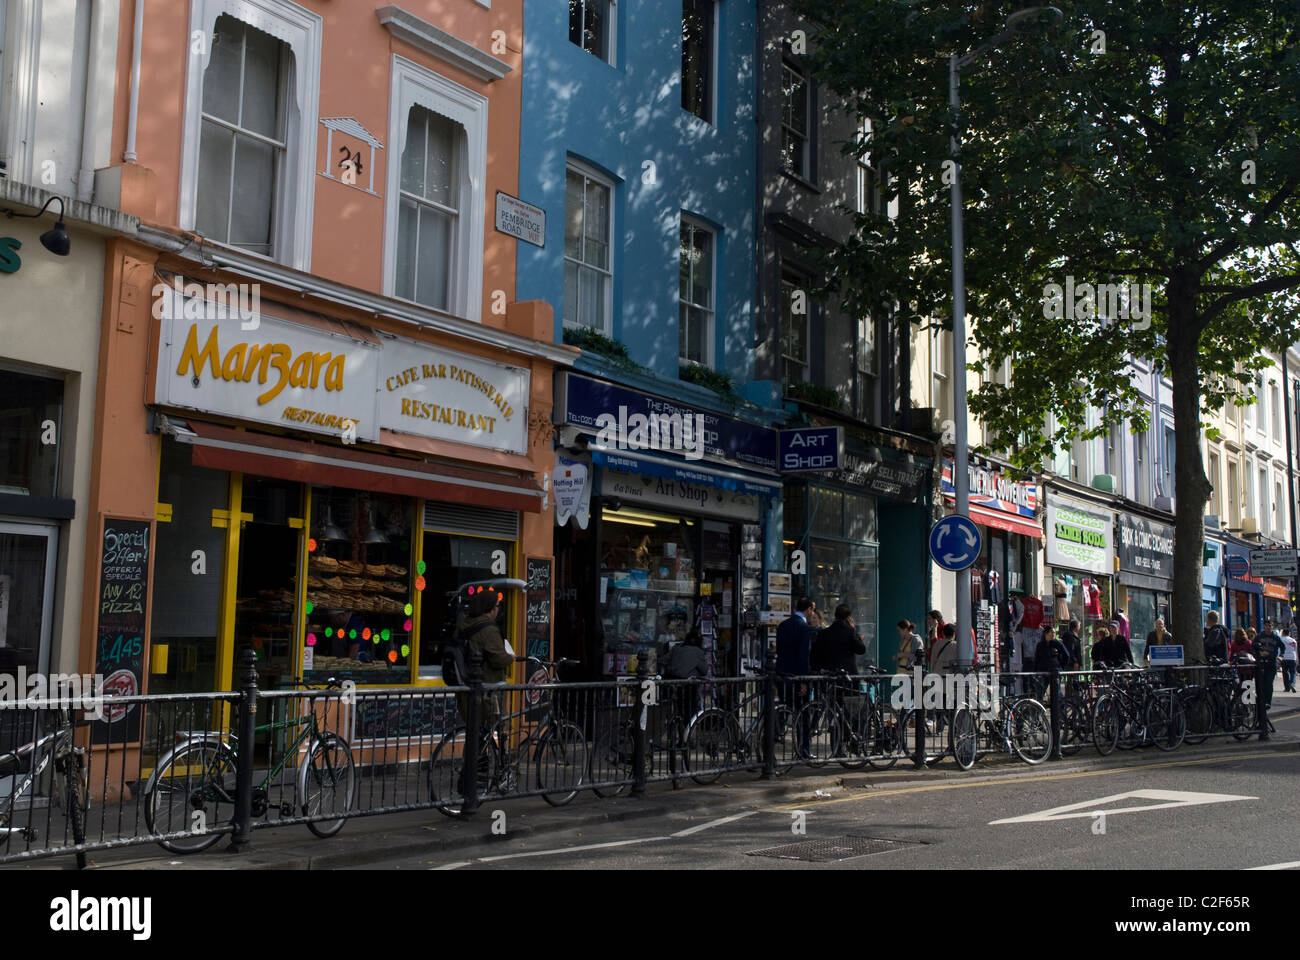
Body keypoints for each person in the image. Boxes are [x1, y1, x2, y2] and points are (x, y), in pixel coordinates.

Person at [453, 588, 514, 725]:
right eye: (498, 606)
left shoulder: (463, 624)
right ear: (491, 609)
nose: (498, 610)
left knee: (474, 736)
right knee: (494, 728)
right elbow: (498, 659)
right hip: (486, 690)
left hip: (465, 688)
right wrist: (511, 657)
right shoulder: (489, 630)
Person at [811, 604, 867, 675]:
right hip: (847, 675)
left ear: (835, 615)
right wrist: (853, 629)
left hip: (829, 675)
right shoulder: (850, 632)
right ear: (848, 617)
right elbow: (861, 650)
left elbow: (815, 655)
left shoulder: (824, 633)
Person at [1252, 620, 1285, 740]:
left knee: (1269, 682)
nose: (1268, 628)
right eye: (1266, 626)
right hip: (1261, 663)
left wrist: (1280, 656)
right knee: (1261, 684)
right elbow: (1253, 646)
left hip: (1271, 663)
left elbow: (1282, 647)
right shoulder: (1259, 636)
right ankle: (1262, 701)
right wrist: (1259, 653)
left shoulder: (1276, 638)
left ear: (1272, 627)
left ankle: (1267, 702)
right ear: (1264, 626)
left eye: (1270, 626)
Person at [1033, 625, 1071, 700]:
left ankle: (1061, 709)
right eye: (1052, 632)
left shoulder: (1057, 643)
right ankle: (1039, 709)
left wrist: (1061, 667)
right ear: (1046, 634)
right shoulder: (1040, 645)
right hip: (1043, 672)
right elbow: (1037, 659)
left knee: (1057, 693)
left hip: (1055, 671)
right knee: (1040, 693)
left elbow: (1066, 655)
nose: (1053, 634)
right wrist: (1036, 672)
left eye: (1054, 632)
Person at [1281, 626, 1298, 693]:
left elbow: (1279, 649)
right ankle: (1292, 684)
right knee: (1293, 672)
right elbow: (1295, 650)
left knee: (1285, 673)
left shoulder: (1281, 639)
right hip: (1292, 658)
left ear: (1283, 633)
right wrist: (1296, 658)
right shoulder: (1293, 640)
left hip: (1284, 658)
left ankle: (1287, 688)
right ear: (1289, 633)